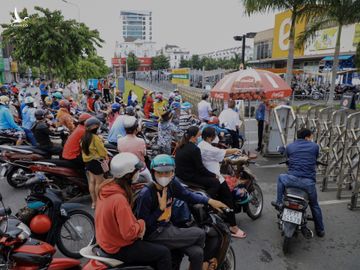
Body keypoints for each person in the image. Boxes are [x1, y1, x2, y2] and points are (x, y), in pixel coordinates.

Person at [135, 154, 228, 270]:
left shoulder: (172, 184)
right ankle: (205, 264)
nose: (163, 176)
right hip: (155, 233)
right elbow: (144, 225)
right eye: (159, 173)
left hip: (168, 227)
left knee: (197, 253)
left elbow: (187, 195)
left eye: (167, 173)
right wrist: (160, 209)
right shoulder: (147, 194)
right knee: (200, 233)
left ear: (173, 173)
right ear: (153, 173)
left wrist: (209, 201)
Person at [95, 153, 172, 269]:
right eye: (136, 171)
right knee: (164, 253)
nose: (138, 173)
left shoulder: (106, 188)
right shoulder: (119, 199)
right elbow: (129, 233)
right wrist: (141, 224)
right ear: (128, 175)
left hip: (106, 241)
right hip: (117, 247)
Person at [272, 128, 325, 238]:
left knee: (281, 177)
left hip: (291, 179)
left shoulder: (290, 146)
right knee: (314, 205)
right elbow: (314, 157)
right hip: (308, 183)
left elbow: (286, 154)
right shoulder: (315, 146)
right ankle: (320, 230)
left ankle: (278, 202)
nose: (311, 139)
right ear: (307, 137)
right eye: (310, 137)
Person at [198, 126, 247, 238]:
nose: (216, 137)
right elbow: (222, 152)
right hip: (215, 178)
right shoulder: (208, 148)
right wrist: (235, 150)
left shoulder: (201, 145)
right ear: (210, 137)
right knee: (228, 200)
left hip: (207, 176)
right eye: (215, 135)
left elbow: (216, 156)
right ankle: (233, 227)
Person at [81, 117, 109, 209]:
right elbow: (102, 152)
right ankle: (99, 202)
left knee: (92, 182)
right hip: (96, 163)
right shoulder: (95, 138)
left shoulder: (84, 137)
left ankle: (94, 203)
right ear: (95, 127)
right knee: (99, 183)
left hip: (88, 163)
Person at [117, 116, 152, 182]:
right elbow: (144, 154)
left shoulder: (119, 141)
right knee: (151, 182)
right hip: (140, 170)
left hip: (126, 170)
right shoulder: (141, 141)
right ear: (136, 129)